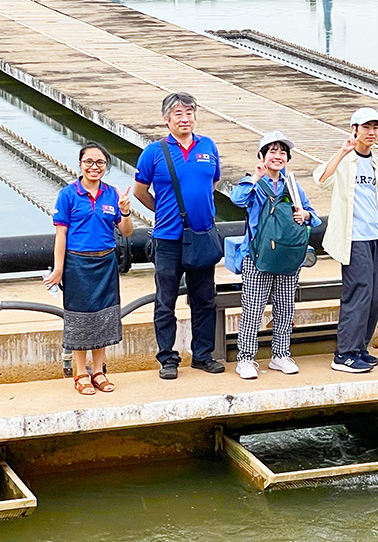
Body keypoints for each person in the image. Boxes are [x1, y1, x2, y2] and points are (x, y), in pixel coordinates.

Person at [133, 92, 223, 379]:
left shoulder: (207, 146)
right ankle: (168, 359)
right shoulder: (154, 152)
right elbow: (140, 192)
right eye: (178, 114)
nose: (184, 119)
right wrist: (164, 212)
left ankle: (203, 355)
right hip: (168, 239)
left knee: (204, 300)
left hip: (201, 236)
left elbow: (213, 182)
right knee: (166, 301)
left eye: (189, 113)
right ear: (166, 119)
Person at [229, 132, 320, 379]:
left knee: (285, 308)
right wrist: (256, 175)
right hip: (257, 256)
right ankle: (246, 359)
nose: (278, 156)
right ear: (262, 156)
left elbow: (313, 213)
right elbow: (237, 200)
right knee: (253, 308)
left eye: (282, 152)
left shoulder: (292, 185)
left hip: (288, 255)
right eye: (272, 151)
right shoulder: (253, 182)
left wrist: (306, 216)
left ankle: (281, 354)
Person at [48, 143, 133, 395]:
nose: (94, 167)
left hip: (106, 262)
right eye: (89, 162)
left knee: (104, 316)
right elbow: (60, 235)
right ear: (80, 164)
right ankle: (80, 372)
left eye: (100, 163)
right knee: (79, 317)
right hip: (77, 263)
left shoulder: (111, 194)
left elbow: (126, 232)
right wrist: (59, 269)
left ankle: (98, 371)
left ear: (106, 167)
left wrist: (126, 211)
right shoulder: (68, 194)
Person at [316, 107, 378, 374]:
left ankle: (360, 347)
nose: (371, 132)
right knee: (358, 294)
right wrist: (341, 152)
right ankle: (344, 353)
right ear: (354, 130)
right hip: (354, 238)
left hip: (375, 237)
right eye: (366, 127)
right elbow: (321, 179)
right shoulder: (346, 161)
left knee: (375, 298)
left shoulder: (377, 164)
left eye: (375, 127)